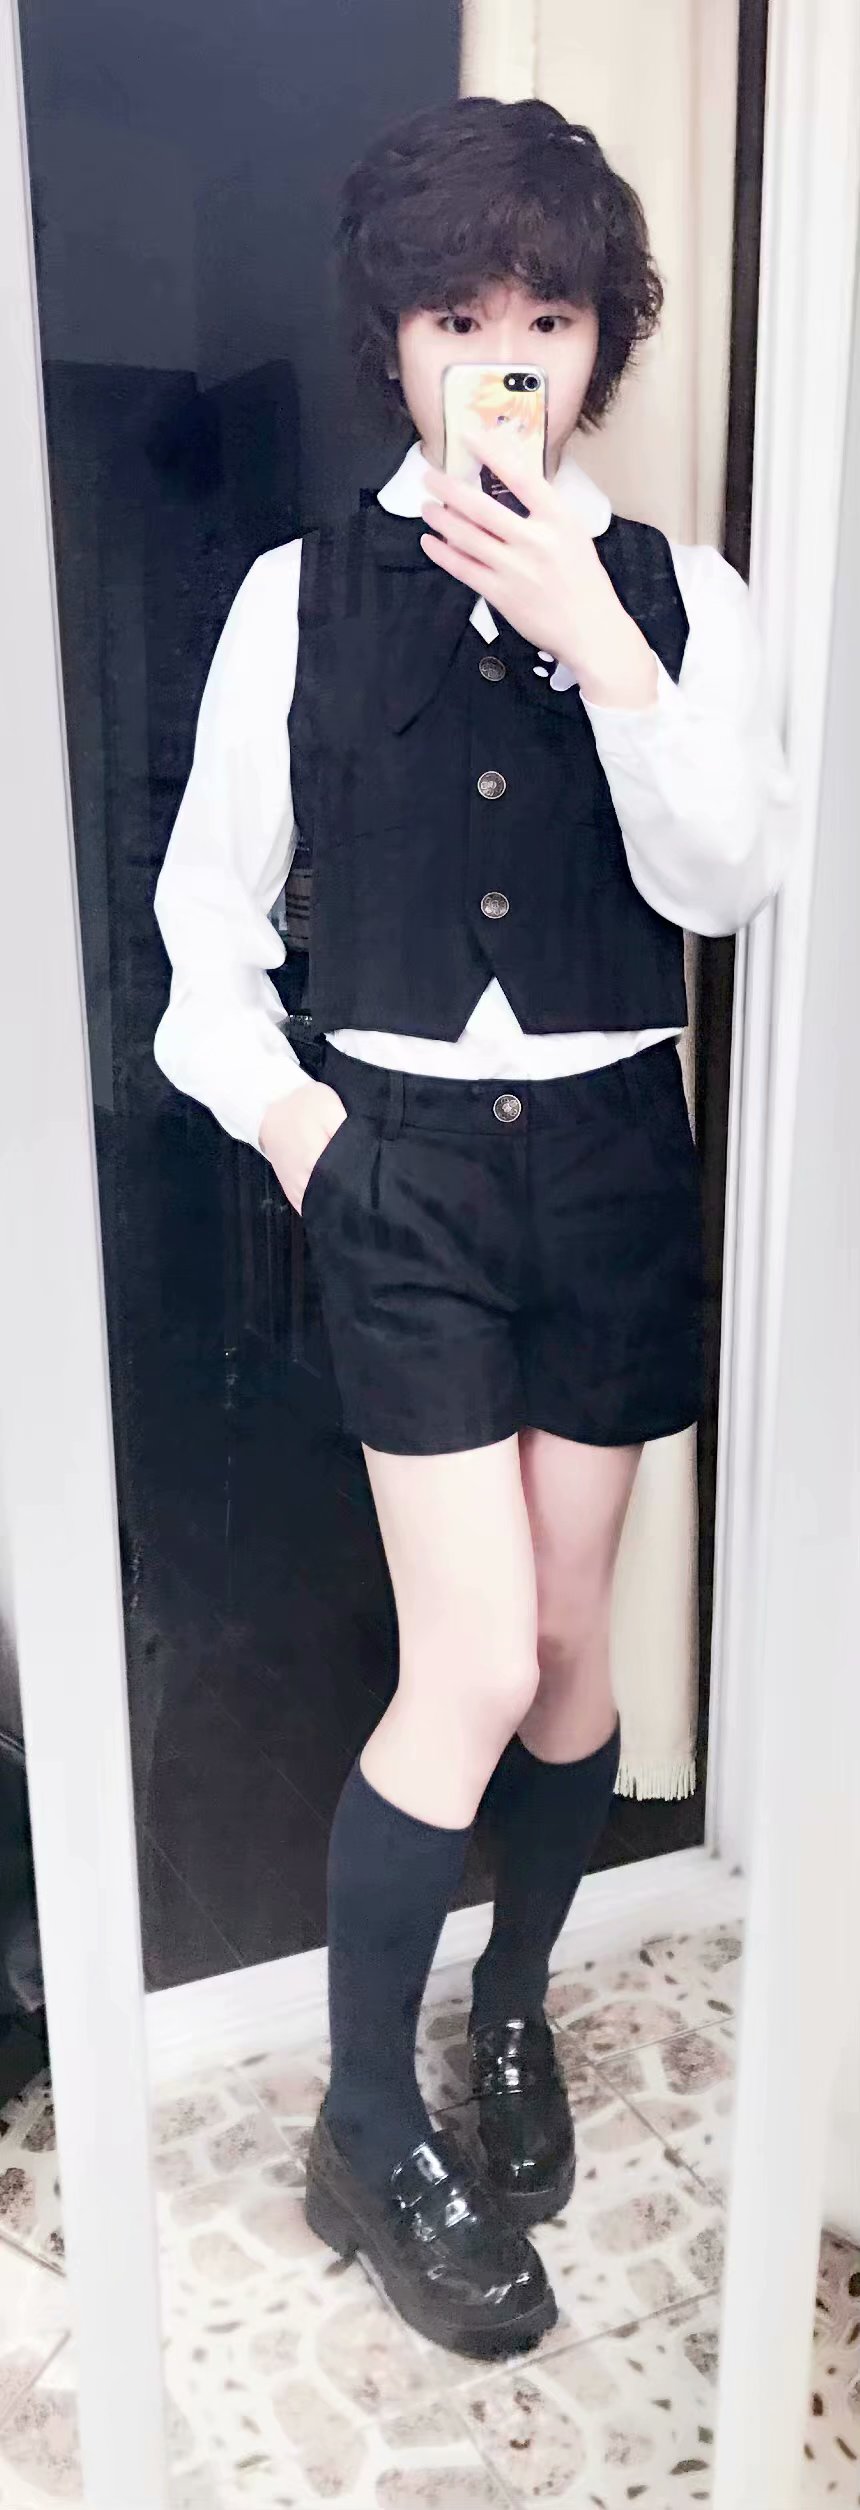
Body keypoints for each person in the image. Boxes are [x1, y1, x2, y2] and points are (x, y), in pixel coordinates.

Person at [152, 96, 793, 2362]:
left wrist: (604, 650)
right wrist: (308, 1136)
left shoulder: (683, 597)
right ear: (396, 340)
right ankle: (361, 2121)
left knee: (581, 1644)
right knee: (480, 1660)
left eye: (545, 316)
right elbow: (202, 936)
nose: (500, 356)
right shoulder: (294, 596)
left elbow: (728, 878)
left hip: (610, 1160)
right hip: (403, 1159)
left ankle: (510, 2003)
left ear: (600, 341)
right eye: (454, 317)